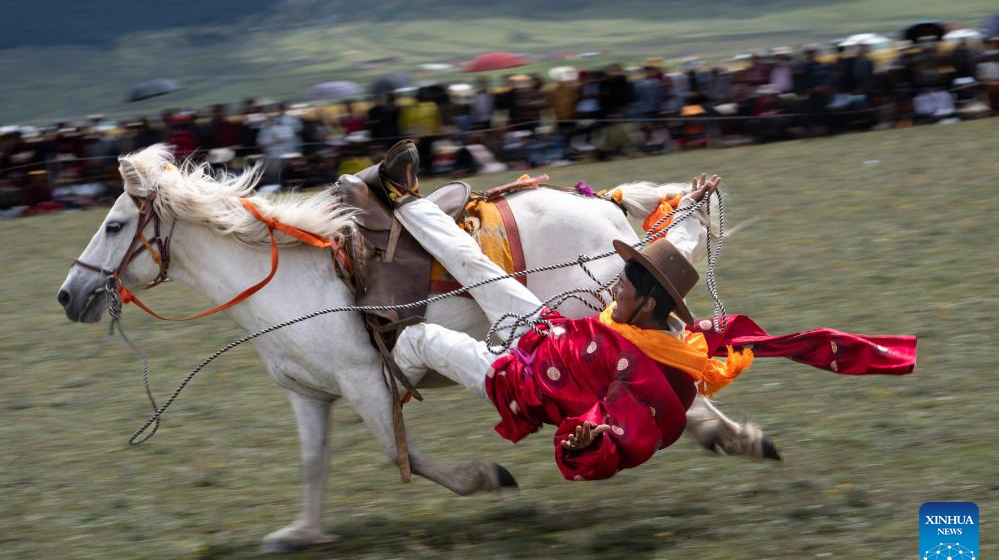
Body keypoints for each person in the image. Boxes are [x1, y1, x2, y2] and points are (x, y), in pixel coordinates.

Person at [374, 141, 917, 482]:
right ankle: (404, 195)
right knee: (475, 264)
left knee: (418, 338)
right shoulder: (642, 316)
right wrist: (691, 204)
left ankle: (385, 382)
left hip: (524, 379)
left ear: (650, 302)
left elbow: (628, 443)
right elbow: (674, 251)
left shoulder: (660, 381)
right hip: (545, 333)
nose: (614, 293)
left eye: (625, 289)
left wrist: (587, 438)